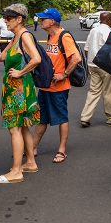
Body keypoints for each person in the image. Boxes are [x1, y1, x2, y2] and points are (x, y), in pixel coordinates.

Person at [0, 4, 41, 184]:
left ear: (19, 19)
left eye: (8, 17)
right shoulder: (16, 37)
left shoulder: (25, 36)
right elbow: (1, 57)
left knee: (14, 128)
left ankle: (16, 171)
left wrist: (21, 72)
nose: (5, 21)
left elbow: (37, 58)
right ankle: (30, 162)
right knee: (23, 126)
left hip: (19, 89)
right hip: (17, 88)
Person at [33, 8, 81, 163]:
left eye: (43, 19)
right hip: (46, 86)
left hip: (59, 87)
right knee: (42, 118)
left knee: (61, 118)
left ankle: (61, 150)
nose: (40, 21)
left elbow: (76, 58)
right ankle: (32, 148)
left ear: (52, 21)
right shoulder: (50, 36)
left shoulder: (64, 36)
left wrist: (64, 75)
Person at [80, 12, 111, 128]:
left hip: (92, 64)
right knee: (109, 92)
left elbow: (86, 49)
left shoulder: (93, 30)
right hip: (105, 66)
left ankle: (85, 118)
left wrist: (89, 61)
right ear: (109, 20)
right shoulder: (108, 32)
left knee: (93, 91)